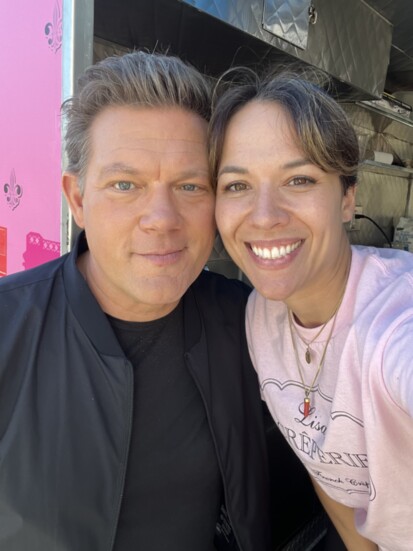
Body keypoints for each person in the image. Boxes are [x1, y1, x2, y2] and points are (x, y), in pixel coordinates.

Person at [0, 51, 272, 551]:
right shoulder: (7, 328)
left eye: (190, 186)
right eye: (125, 185)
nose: (162, 218)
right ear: (77, 199)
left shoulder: (254, 326)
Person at [209, 68, 413, 551]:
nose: (264, 215)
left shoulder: (392, 321)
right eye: (237, 186)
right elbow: (324, 464)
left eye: (298, 179)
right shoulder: (262, 316)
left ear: (347, 199)